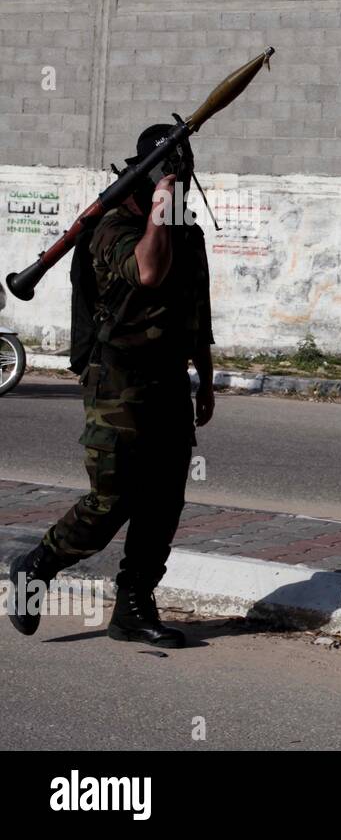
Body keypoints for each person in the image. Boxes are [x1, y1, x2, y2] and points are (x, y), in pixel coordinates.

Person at [6, 124, 216, 647]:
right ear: (147, 176)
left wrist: (205, 379)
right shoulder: (113, 226)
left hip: (168, 377)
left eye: (183, 171)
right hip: (117, 378)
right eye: (171, 172)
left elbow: (197, 310)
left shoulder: (185, 228)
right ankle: (37, 565)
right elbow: (147, 271)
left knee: (164, 500)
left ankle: (133, 608)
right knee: (113, 499)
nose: (180, 180)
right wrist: (162, 205)